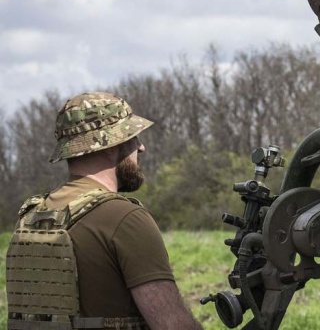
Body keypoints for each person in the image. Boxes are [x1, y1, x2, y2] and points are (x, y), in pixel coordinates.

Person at [5, 92, 203, 330]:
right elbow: (174, 326)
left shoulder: (30, 217)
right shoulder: (126, 219)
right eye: (132, 137)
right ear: (110, 145)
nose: (141, 147)